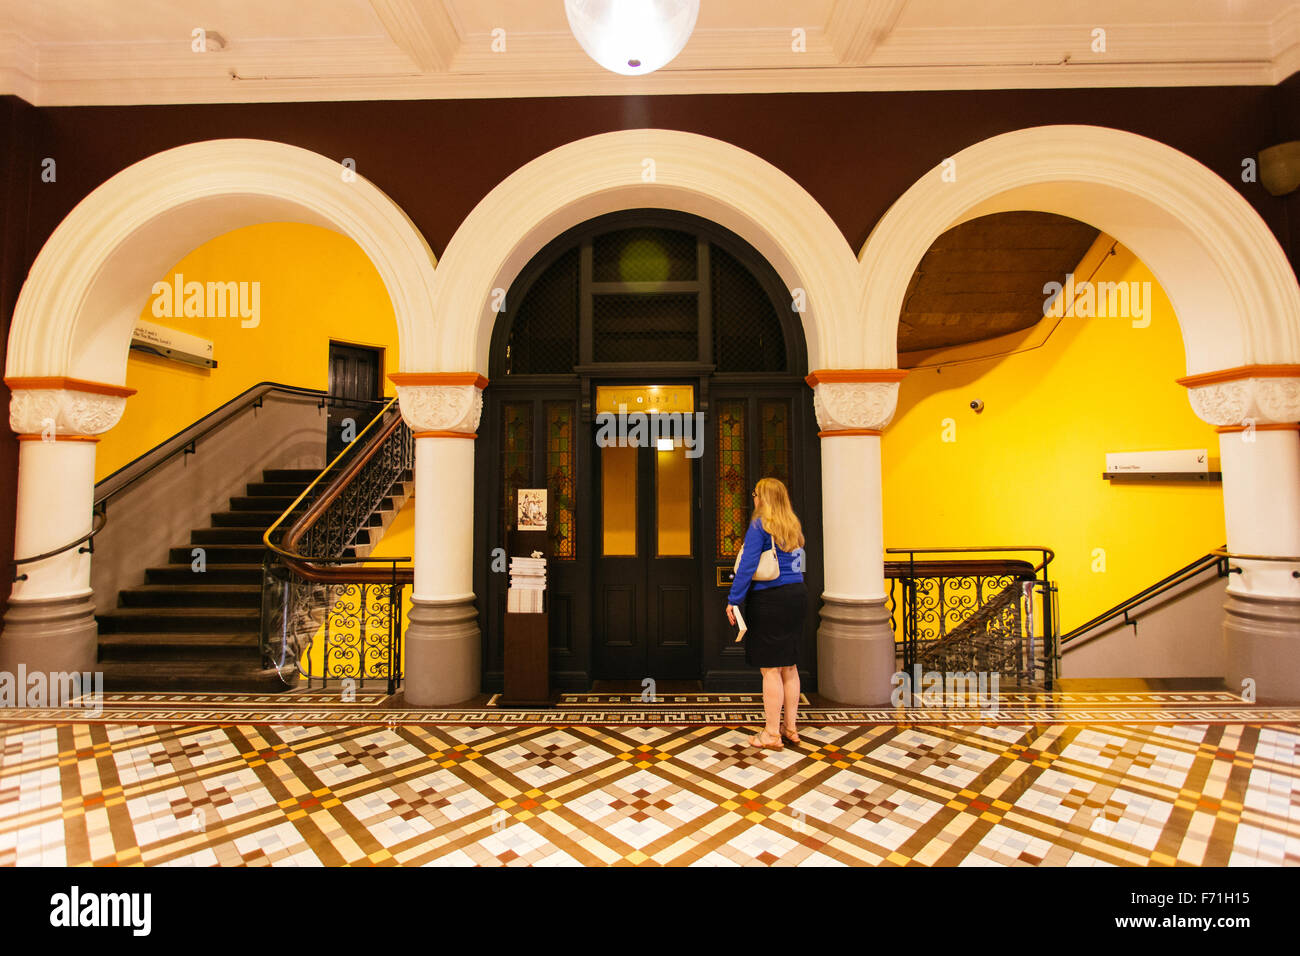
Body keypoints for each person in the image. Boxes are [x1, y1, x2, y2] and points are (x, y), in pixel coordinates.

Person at [726, 477, 807, 751]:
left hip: (771, 599)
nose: (753, 498)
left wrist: (733, 600)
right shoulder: (793, 525)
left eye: (755, 493)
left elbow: (747, 565)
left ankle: (771, 734)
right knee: (790, 666)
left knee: (770, 668)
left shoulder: (760, 525)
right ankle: (791, 728)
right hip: (796, 596)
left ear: (763, 498)